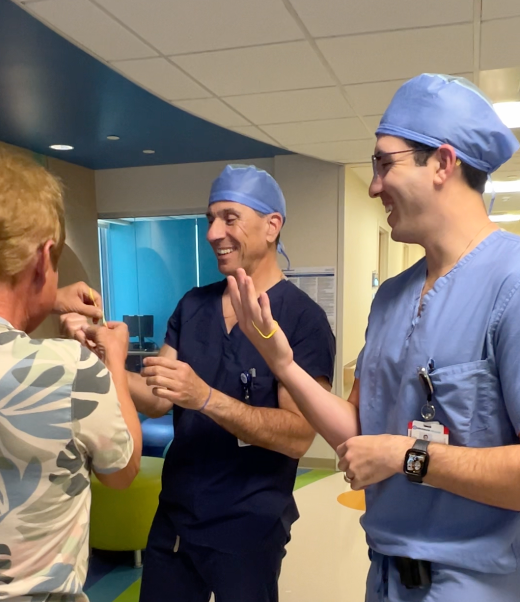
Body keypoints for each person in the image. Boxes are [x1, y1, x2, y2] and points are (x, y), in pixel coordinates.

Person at [227, 74, 520, 601]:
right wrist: (282, 362)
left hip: (475, 585)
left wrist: (408, 456)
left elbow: (392, 452)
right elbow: (360, 432)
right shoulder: (391, 297)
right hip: (385, 576)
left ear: (443, 164)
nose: (373, 185)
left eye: (385, 164)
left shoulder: (512, 284)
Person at [102, 164, 334, 602]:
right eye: (210, 218)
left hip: (248, 525)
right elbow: (156, 399)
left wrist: (206, 398)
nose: (212, 232)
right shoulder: (194, 305)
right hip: (177, 516)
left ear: (272, 226)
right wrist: (107, 360)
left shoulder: (304, 320)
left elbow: (298, 436)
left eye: (229, 217)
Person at [0, 151, 142, 600]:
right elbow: (122, 469)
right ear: (44, 258)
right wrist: (113, 362)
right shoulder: (68, 369)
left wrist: (44, 298)